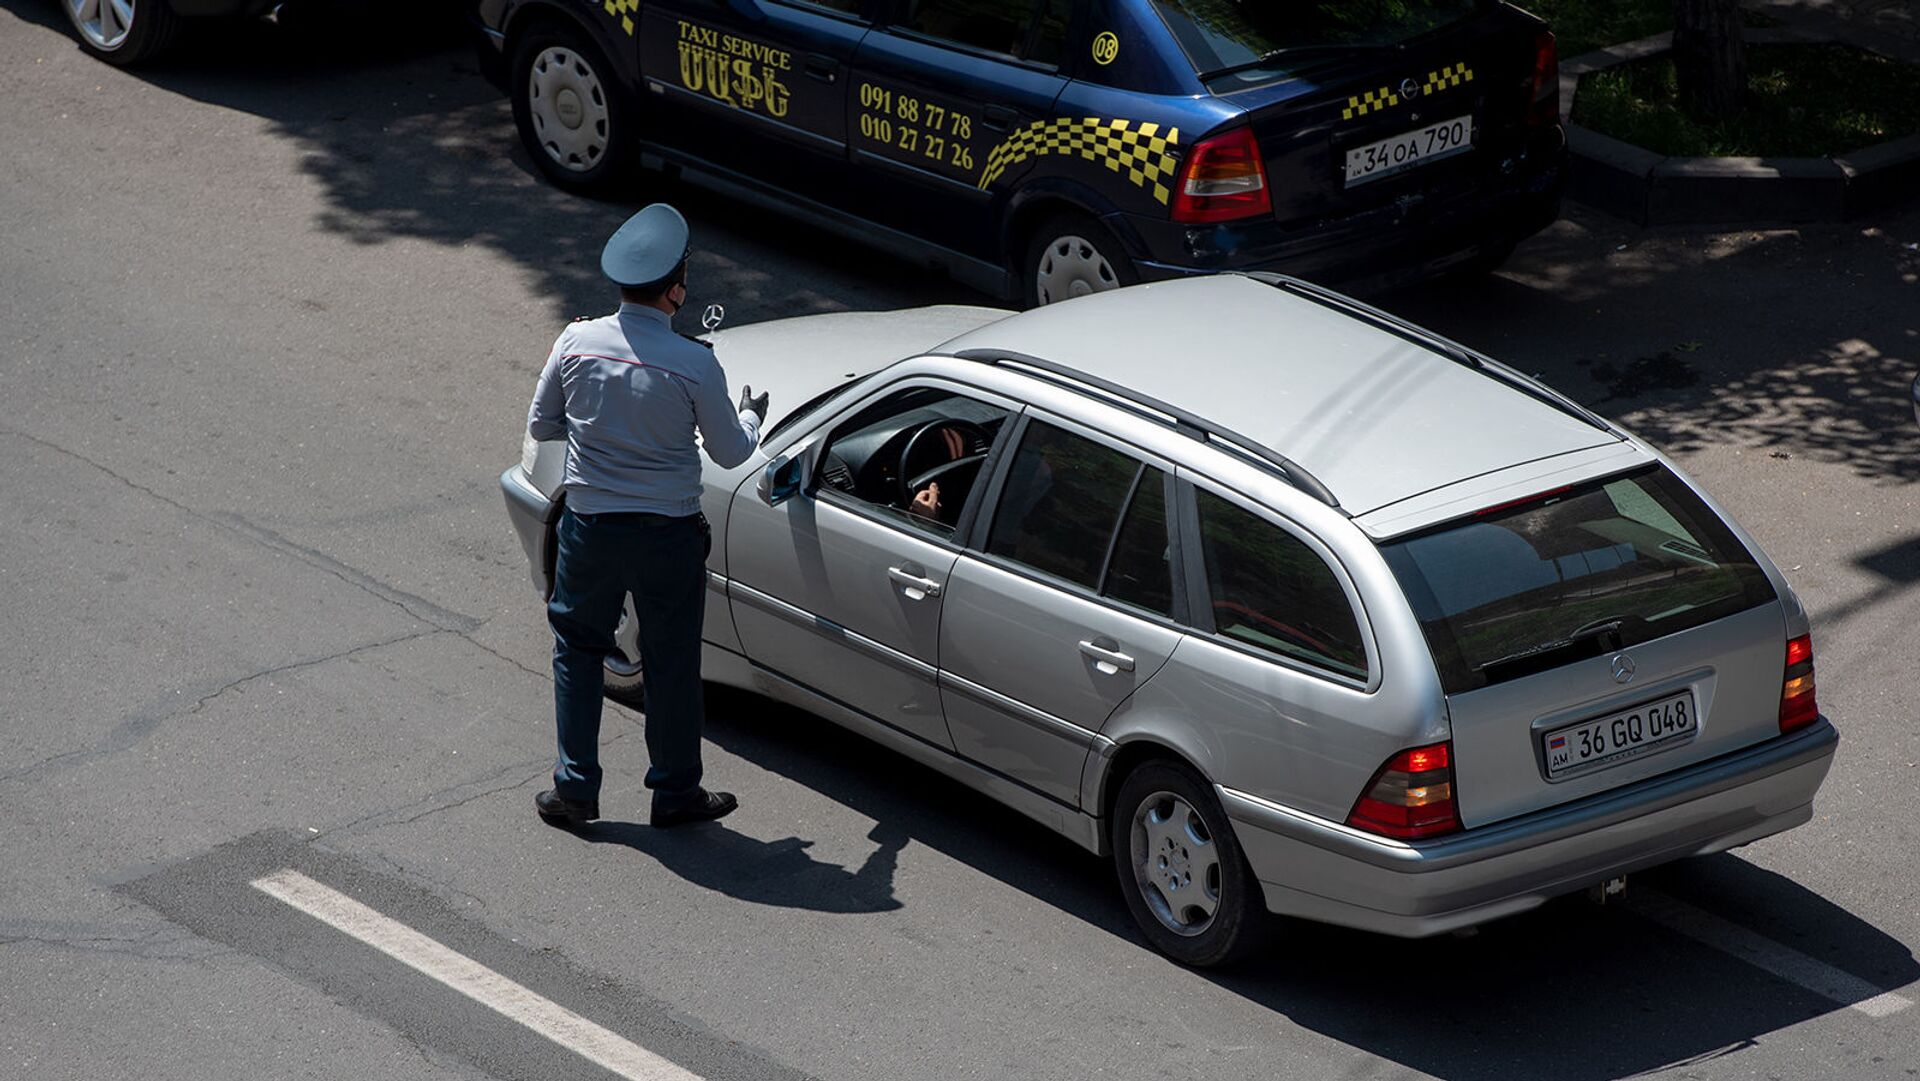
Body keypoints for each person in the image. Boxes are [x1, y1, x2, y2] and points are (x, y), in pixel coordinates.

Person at [525, 204, 768, 830]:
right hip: (668, 535)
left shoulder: (575, 341)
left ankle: (575, 791)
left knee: (578, 651)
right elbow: (731, 452)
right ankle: (676, 792)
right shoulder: (695, 362)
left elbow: (543, 424)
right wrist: (751, 416)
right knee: (672, 662)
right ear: (676, 289)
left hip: (590, 529)